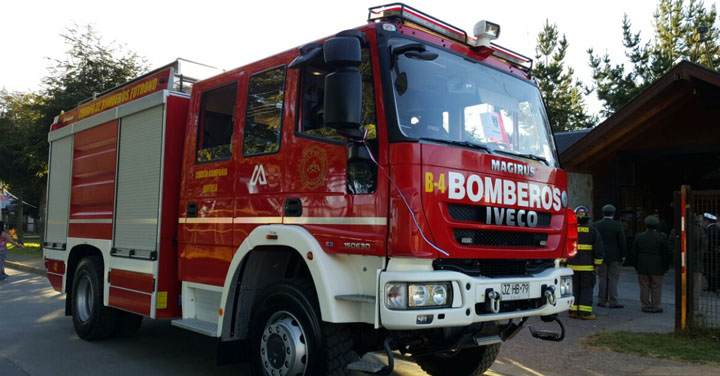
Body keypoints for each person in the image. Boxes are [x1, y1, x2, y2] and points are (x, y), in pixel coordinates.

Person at [567, 206, 604, 320]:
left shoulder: (569, 230)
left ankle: (572, 311)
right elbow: (598, 249)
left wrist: (564, 262)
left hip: (571, 266)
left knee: (573, 288)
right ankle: (585, 313)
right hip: (587, 267)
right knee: (586, 288)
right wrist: (597, 264)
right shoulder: (593, 230)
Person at [629, 215, 672, 313]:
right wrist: (665, 267)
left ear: (646, 225)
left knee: (644, 286)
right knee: (656, 286)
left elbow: (634, 252)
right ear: (656, 225)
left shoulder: (639, 236)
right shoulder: (661, 237)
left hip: (642, 265)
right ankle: (655, 306)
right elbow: (667, 253)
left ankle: (645, 305)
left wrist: (636, 265)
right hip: (658, 266)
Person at [593, 204, 627, 309]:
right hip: (615, 256)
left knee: (602, 278)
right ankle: (613, 301)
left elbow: (594, 241)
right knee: (613, 278)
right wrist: (623, 255)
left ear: (603, 213)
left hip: (600, 256)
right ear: (613, 213)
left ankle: (601, 300)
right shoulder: (618, 225)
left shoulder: (596, 225)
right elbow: (622, 241)